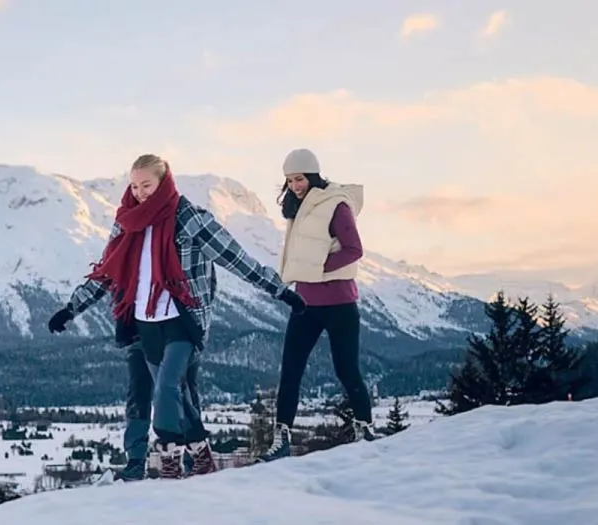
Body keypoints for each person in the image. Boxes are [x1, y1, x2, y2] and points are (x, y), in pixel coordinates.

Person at [47, 153, 304, 481]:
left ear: (163, 181)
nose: (140, 192)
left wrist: (281, 292)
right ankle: (201, 457)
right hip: (144, 322)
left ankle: (169, 460)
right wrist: (71, 308)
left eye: (147, 185)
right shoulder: (126, 222)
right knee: (178, 394)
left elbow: (238, 260)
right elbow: (108, 272)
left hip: (183, 321)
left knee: (166, 387)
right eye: (135, 185)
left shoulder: (190, 218)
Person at [259, 148, 374, 463]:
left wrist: (317, 269)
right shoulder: (299, 210)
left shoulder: (336, 204)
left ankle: (365, 429)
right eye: (290, 180)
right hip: (306, 304)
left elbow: (354, 249)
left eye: (299, 178)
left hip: (340, 303)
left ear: (313, 175)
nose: (295, 185)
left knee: (346, 369)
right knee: (291, 370)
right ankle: (281, 439)